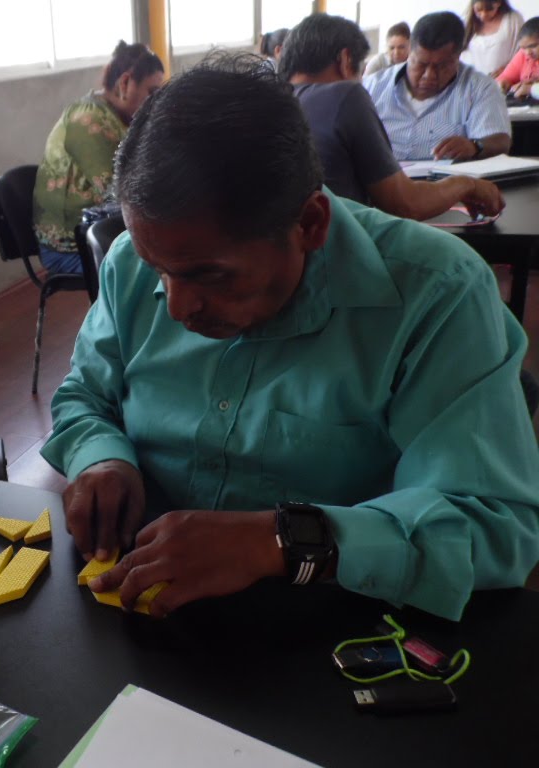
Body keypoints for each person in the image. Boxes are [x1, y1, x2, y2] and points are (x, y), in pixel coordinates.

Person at [41, 53, 539, 623]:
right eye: (161, 272)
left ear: (309, 225)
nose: (176, 308)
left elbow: (493, 525)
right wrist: (103, 460)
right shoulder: (133, 260)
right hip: (143, 599)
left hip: (331, 623)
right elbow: (85, 392)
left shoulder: (436, 295)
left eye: (211, 275)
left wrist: (280, 542)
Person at [281, 14, 504, 220]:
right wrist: (468, 185)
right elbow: (406, 204)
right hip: (334, 253)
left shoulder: (265, 99)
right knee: (459, 260)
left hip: (276, 254)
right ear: (345, 60)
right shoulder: (345, 95)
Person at [32, 41, 164, 275]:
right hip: (71, 246)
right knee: (161, 265)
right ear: (124, 83)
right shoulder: (89, 121)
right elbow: (119, 193)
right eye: (151, 93)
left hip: (102, 227)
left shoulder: (120, 118)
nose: (155, 102)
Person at [364, 11, 511, 161]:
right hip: (380, 181)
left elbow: (501, 141)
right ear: (409, 53)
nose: (429, 75)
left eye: (442, 66)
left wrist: (475, 146)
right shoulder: (372, 87)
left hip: (445, 182)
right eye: (421, 64)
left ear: (458, 57)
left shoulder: (479, 88)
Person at [462, 0, 524, 77]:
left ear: (498, 3)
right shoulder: (468, 23)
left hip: (506, 80)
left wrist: (508, 69)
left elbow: (523, 51)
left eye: (489, 9)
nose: (483, 15)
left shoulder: (513, 20)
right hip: (477, 83)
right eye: (478, 10)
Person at [497, 16, 539, 98]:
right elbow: (505, 77)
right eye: (523, 48)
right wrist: (503, 84)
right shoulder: (522, 55)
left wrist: (530, 89)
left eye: (533, 46)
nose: (528, 52)